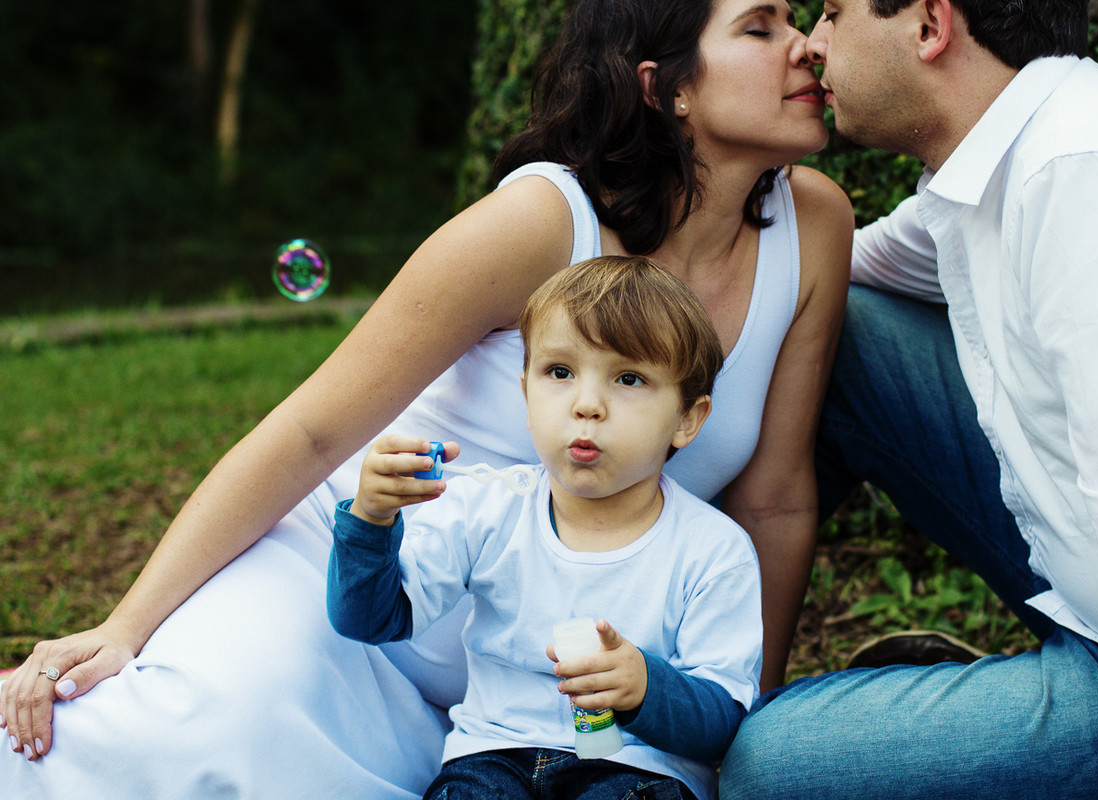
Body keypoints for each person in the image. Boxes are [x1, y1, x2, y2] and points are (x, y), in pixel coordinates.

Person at [1, 0, 852, 795]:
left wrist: (735, 730)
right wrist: (125, 626)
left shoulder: (815, 227)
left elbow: (774, 502)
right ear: (663, 87)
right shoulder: (542, 221)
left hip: (543, 699)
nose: (805, 43)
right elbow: (310, 434)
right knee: (170, 750)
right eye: (760, 26)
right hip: (343, 612)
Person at [719, 0, 1098, 798]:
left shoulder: (1084, 177)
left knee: (769, 769)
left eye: (835, 12)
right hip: (1085, 566)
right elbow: (842, 272)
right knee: (842, 328)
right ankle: (694, 676)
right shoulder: (1002, 155)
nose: (814, 42)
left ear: (929, 27)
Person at [328, 256, 762, 800]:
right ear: (526, 395)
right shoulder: (485, 509)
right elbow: (370, 619)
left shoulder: (714, 551)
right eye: (559, 373)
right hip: (493, 760)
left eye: (629, 378)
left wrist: (647, 688)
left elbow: (724, 727)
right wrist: (371, 521)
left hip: (636, 772)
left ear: (686, 420)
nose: (586, 405)